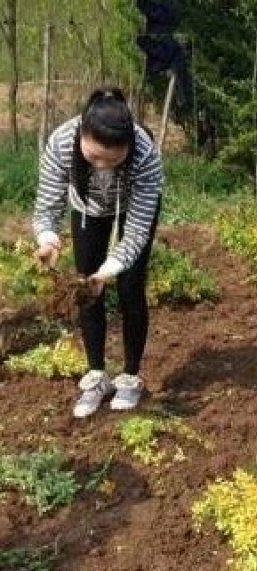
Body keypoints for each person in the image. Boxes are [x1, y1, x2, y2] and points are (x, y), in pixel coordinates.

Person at [33, 87, 163, 419]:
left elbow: (135, 232)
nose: (102, 167)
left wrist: (110, 270)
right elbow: (47, 205)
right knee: (85, 289)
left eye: (113, 160)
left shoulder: (145, 153)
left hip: (130, 210)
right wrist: (47, 239)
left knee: (130, 288)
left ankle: (131, 376)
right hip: (87, 208)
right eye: (93, 158)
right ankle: (96, 375)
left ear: (127, 148)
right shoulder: (62, 142)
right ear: (81, 135)